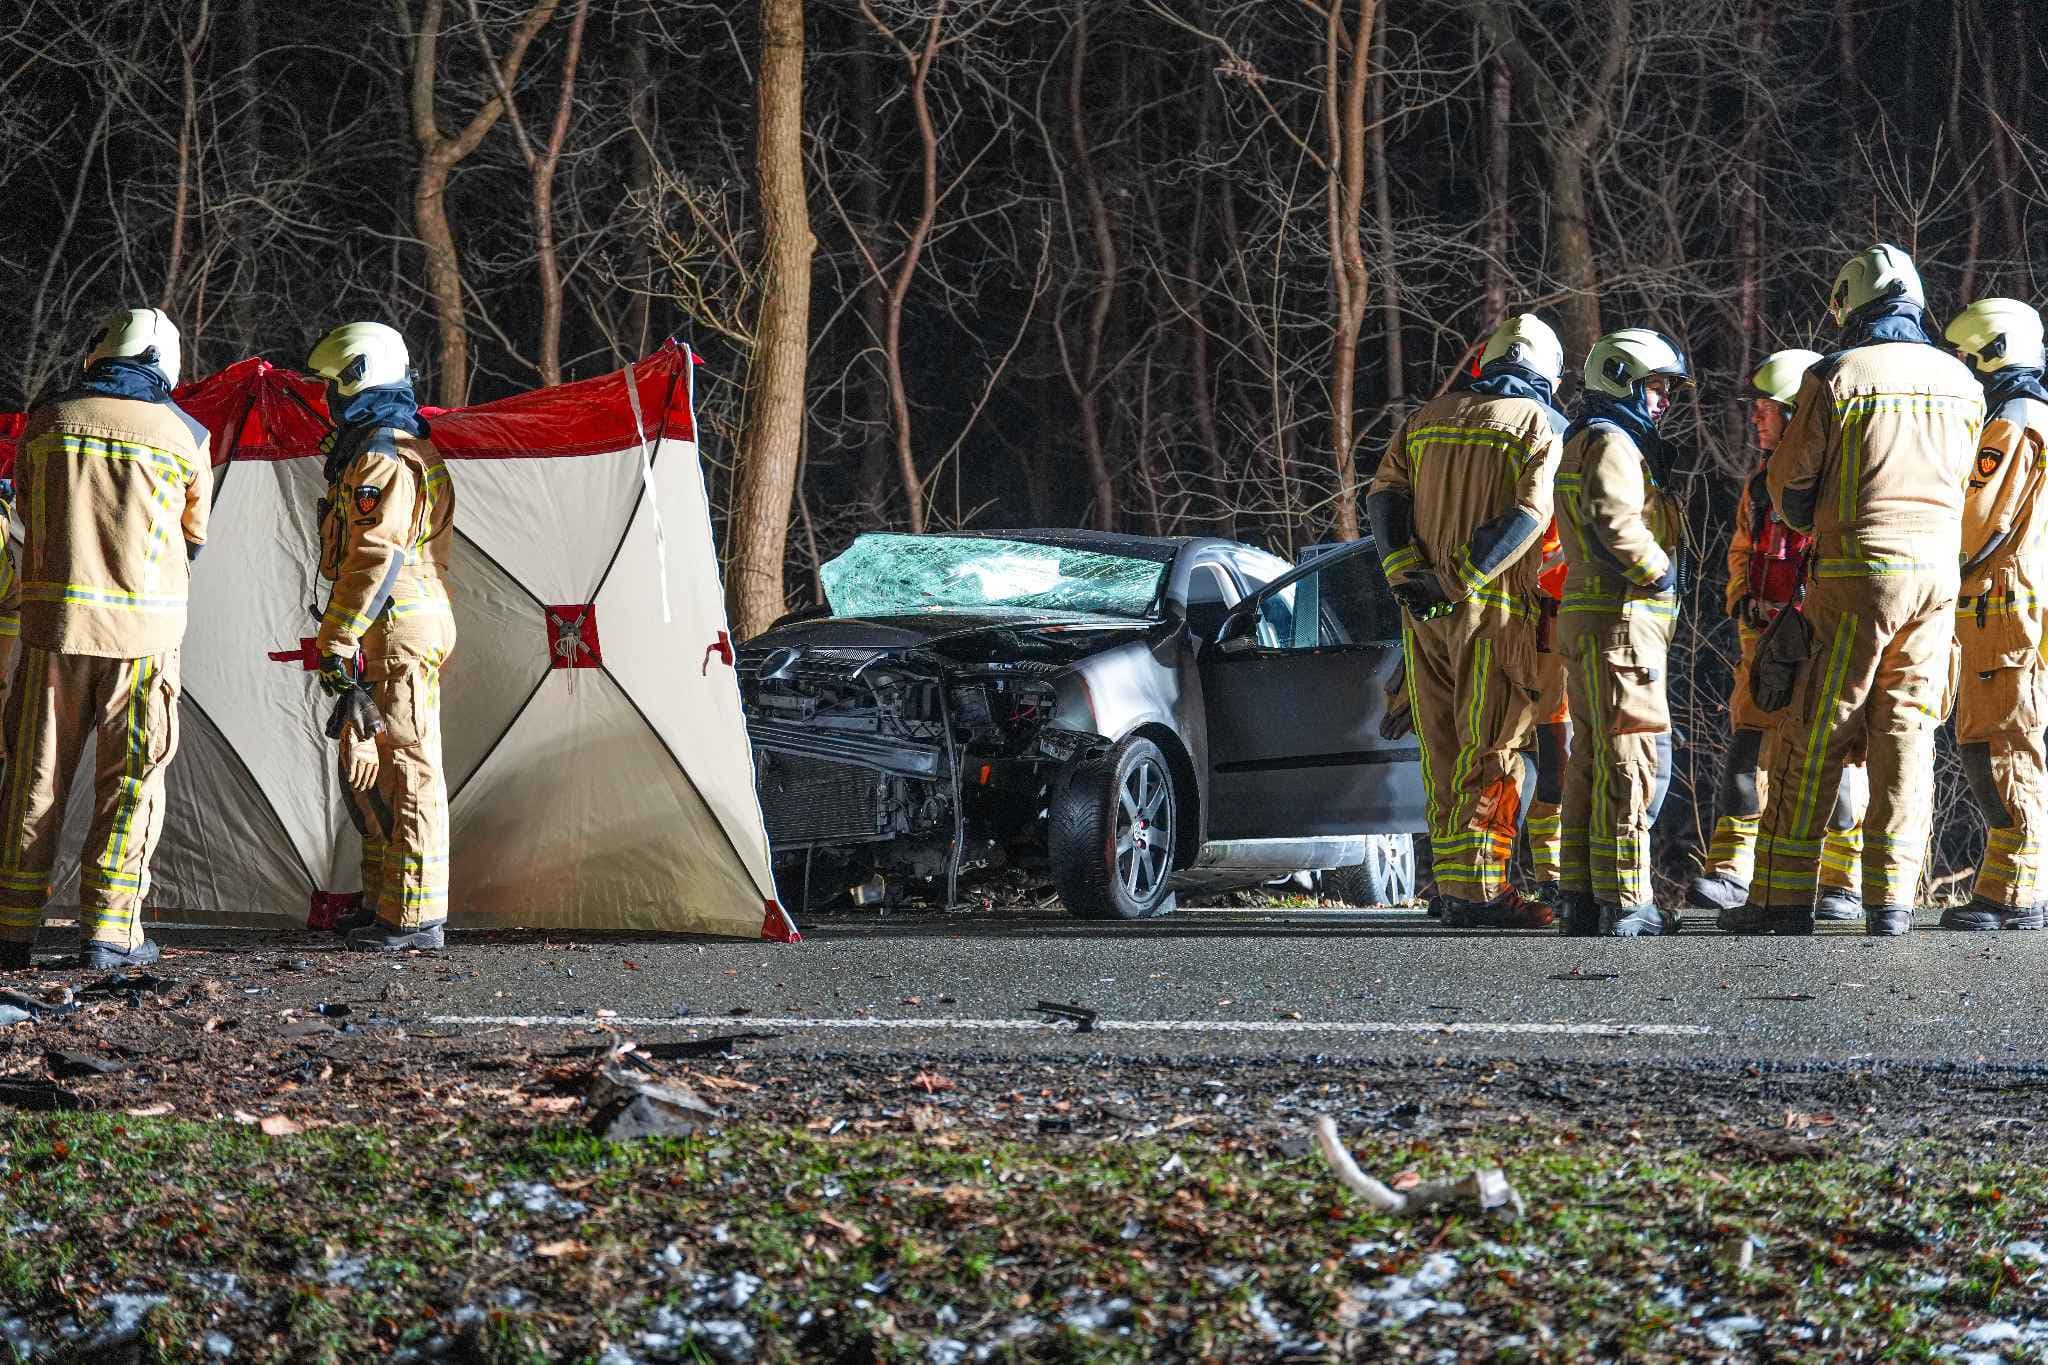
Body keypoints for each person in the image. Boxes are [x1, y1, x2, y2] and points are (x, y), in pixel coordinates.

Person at [1733, 245, 1983, 936]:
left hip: (1855, 574)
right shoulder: (1963, 384)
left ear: (1849, 304)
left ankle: (1781, 899)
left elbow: (1790, 488)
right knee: (1905, 735)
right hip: (1937, 578)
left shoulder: (1836, 374)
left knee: (1817, 729)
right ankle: (1891, 902)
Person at [0, 308, 208, 971]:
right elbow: (194, 536)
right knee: (131, 783)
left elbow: (30, 512)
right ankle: (109, 935)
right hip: (143, 642)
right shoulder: (185, 434)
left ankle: (9, 930)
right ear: (164, 363)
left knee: (35, 780)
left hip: (53, 633)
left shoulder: (46, 421)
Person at [1366, 313, 1565, 928]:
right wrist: (1457, 579)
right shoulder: (1538, 425)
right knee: (1492, 750)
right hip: (1493, 614)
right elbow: (1531, 515)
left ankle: (1453, 887)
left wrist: (1406, 574)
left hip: (1422, 617)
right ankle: (1483, 893)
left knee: (1443, 749)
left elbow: (1382, 497)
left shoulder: (1425, 419)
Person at [1689, 350, 1867, 923]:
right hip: (1764, 645)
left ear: (1799, 414)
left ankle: (1843, 881)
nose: (1757, 419)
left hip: (1821, 641)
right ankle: (1729, 872)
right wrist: (1742, 600)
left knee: (1837, 760)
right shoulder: (1761, 488)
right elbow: (1744, 549)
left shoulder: (1841, 479)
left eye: (1768, 409)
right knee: (1745, 756)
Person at [305, 322, 457, 953]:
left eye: (332, 385)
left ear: (357, 377)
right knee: (370, 772)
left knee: (405, 767)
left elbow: (375, 554)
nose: (328, 401)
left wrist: (338, 636)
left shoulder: (381, 456)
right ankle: (384, 904)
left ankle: (415, 918)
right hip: (387, 625)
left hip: (393, 625)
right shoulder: (388, 446)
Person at [1556, 328, 1693, 936]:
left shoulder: (1585, 437)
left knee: (1590, 760)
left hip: (1593, 618)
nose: (1661, 400)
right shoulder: (1612, 442)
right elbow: (1616, 519)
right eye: (1654, 387)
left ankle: (1581, 897)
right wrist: (1659, 574)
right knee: (1633, 759)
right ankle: (1627, 899)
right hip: (1622, 620)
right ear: (1619, 379)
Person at [1940, 298, 2048, 931]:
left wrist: (1933, 558)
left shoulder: (2014, 419)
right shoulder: (2025, 412)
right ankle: (2009, 885)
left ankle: (2018, 894)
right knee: (1989, 747)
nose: (1966, 371)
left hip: (2006, 614)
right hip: (1997, 614)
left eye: (1968, 357)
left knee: (2008, 747)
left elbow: (1980, 518)